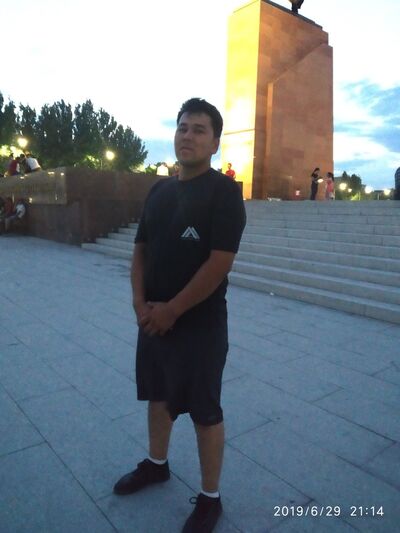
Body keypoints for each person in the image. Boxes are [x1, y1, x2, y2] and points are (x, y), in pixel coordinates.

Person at [113, 98, 246, 533]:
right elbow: (140, 251)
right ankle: (157, 464)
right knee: (157, 395)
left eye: (199, 130)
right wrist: (140, 304)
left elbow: (219, 263)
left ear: (215, 143)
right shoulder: (159, 191)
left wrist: (172, 310)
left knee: (205, 409)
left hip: (200, 325)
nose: (187, 135)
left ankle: (210, 498)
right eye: (182, 127)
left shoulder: (225, 193)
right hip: (153, 319)